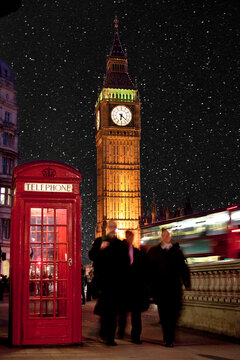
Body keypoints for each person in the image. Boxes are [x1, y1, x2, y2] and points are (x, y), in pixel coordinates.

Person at [146, 228, 191, 347]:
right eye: (164, 235)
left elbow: (184, 268)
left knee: (175, 312)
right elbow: (148, 272)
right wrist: (149, 289)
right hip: (161, 289)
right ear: (161, 237)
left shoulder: (177, 251)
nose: (167, 236)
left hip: (174, 288)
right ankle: (168, 338)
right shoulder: (154, 251)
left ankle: (170, 335)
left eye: (168, 235)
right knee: (164, 314)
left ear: (170, 237)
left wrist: (187, 282)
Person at [88, 220, 129, 346]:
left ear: (116, 229)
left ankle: (109, 337)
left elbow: (126, 262)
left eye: (114, 227)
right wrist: (100, 248)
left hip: (116, 283)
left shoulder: (120, 244)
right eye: (110, 226)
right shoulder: (100, 241)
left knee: (113, 312)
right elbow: (91, 255)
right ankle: (104, 333)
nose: (112, 229)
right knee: (107, 312)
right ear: (106, 228)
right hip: (104, 283)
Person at [117, 231, 149, 344]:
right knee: (122, 313)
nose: (131, 238)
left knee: (136, 314)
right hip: (124, 287)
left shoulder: (137, 252)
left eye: (132, 237)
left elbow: (144, 269)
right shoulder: (120, 251)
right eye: (129, 236)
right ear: (126, 237)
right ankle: (120, 332)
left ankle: (136, 337)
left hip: (135, 289)